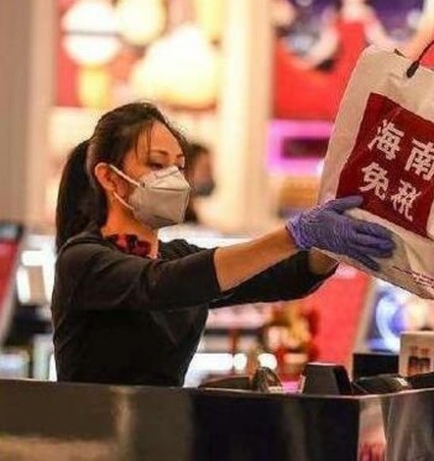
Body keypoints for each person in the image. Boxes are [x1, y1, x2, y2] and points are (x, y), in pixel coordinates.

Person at [52, 102, 394, 387]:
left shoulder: (174, 254)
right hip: (91, 433)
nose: (173, 177)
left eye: (178, 167)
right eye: (156, 164)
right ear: (109, 177)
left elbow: (285, 275)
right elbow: (164, 284)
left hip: (160, 431)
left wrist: (334, 243)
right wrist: (294, 235)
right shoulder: (83, 259)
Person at [182, 142, 215, 224]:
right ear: (187, 171)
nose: (210, 176)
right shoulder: (175, 217)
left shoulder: (191, 215)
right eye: (206, 169)